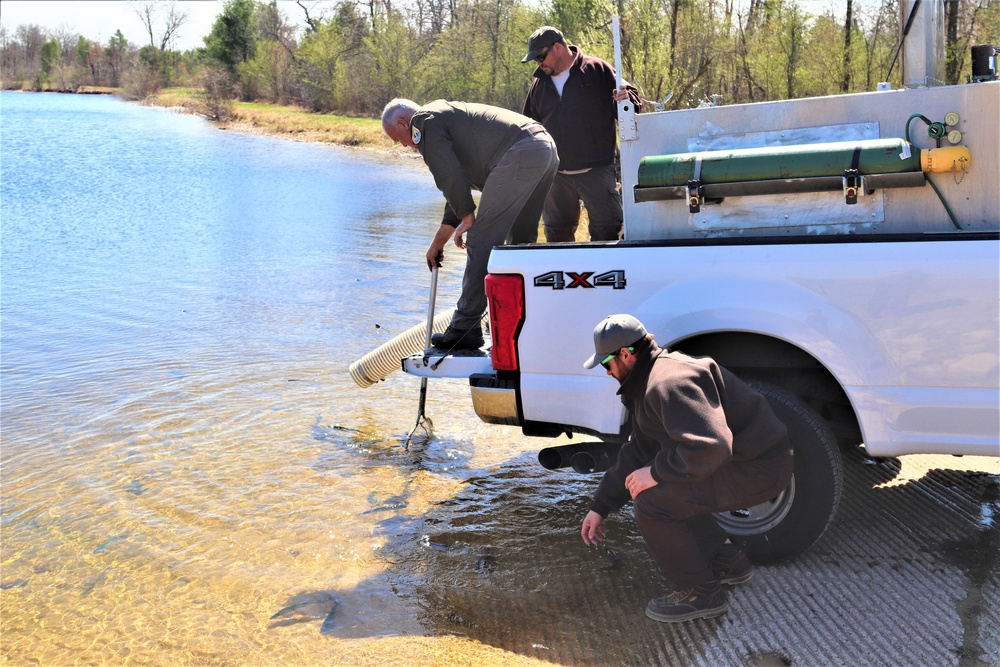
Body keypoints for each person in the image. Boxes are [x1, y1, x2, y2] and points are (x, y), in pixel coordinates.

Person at [579, 314, 794, 622]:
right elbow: (637, 451)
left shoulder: (667, 383)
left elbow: (712, 446)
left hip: (759, 468)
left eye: (606, 364)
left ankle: (699, 592)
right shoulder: (649, 380)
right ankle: (728, 561)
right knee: (669, 488)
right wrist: (600, 506)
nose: (607, 372)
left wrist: (654, 473)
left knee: (653, 502)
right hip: (747, 463)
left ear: (625, 354)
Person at [381, 98, 559, 350]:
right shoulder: (444, 119)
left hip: (523, 151)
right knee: (519, 244)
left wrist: (468, 217)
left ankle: (465, 328)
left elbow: (448, 176)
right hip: (543, 148)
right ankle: (518, 320)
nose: (406, 145)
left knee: (481, 240)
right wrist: (437, 243)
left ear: (402, 123)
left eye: (399, 139)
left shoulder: (423, 122)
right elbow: (456, 187)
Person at [520, 26, 639, 242]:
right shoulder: (539, 83)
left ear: (557, 47)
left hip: (597, 170)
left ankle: (603, 274)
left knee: (609, 231)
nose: (538, 63)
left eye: (540, 57)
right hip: (555, 176)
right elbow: (528, 128)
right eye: (535, 59)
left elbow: (631, 106)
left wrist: (625, 99)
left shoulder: (596, 69)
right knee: (556, 236)